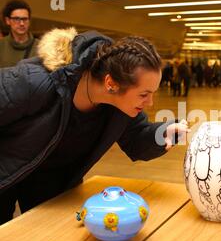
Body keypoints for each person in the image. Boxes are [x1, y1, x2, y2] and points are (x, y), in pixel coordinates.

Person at [0, 27, 189, 225]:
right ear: (111, 83)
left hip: (53, 184)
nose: (150, 102)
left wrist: (162, 134)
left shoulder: (119, 108)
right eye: (144, 94)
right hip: (6, 172)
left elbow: (137, 138)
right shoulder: (36, 80)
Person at [0, 0, 39, 68]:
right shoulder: (2, 45)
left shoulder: (40, 47)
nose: (21, 23)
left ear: (29, 21)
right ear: (8, 20)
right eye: (16, 19)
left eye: (25, 19)